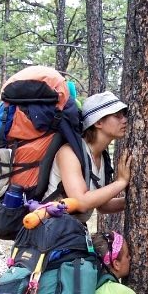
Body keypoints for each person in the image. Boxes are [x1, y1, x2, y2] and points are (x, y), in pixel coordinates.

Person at [43, 91, 131, 224]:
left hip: (69, 232)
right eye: (117, 116)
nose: (124, 120)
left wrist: (134, 202)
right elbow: (81, 201)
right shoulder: (69, 153)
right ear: (98, 122)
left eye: (124, 115)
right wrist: (120, 182)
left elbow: (103, 205)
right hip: (48, 232)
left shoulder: (102, 158)